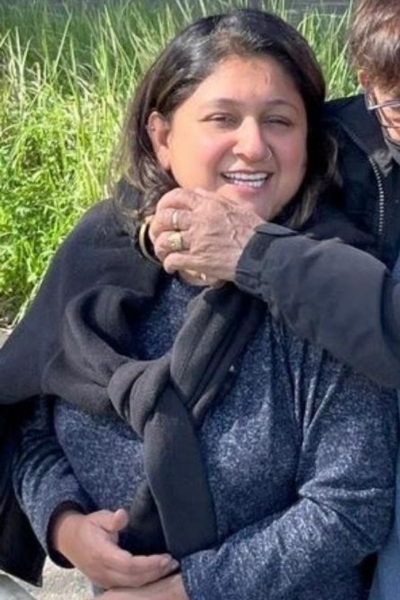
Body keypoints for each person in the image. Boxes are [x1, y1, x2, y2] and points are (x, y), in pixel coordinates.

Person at [4, 9, 397, 600]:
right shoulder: (100, 249)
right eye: (222, 118)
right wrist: (65, 526)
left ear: (308, 141)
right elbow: (31, 421)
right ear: (162, 137)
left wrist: (184, 589)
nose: (253, 145)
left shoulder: (332, 284)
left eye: (279, 121)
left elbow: (351, 505)